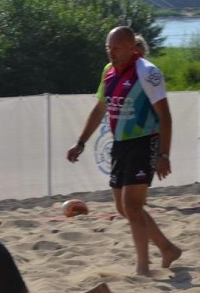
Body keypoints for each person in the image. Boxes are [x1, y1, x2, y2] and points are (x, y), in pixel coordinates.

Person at [67, 26, 181, 276]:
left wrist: (164, 154)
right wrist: (81, 142)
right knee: (123, 208)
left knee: (131, 205)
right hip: (120, 143)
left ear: (132, 48)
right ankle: (167, 248)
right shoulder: (108, 72)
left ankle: (143, 268)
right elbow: (99, 110)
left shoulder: (148, 73)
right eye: (108, 48)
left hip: (145, 140)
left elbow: (165, 116)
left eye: (116, 48)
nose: (111, 53)